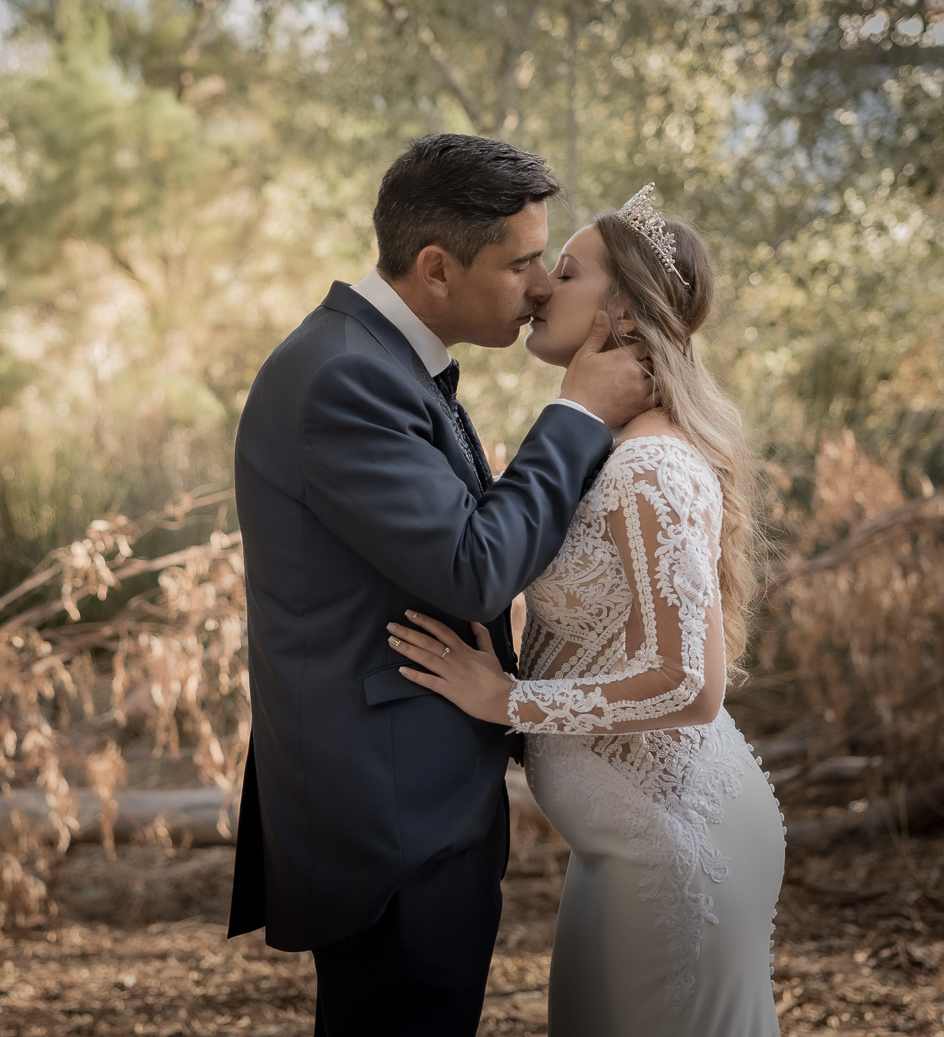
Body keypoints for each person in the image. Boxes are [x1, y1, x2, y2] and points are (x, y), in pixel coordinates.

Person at [226, 134, 655, 1036]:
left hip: (406, 796)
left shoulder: (372, 360)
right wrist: (576, 414)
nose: (541, 285)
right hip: (393, 819)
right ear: (434, 267)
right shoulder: (347, 376)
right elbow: (474, 567)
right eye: (522, 262)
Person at [387, 184, 786, 1036]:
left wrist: (507, 701)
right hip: (625, 841)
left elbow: (690, 684)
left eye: (564, 273)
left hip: (673, 846)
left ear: (626, 314)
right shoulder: (604, 450)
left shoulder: (649, 468)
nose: (538, 287)